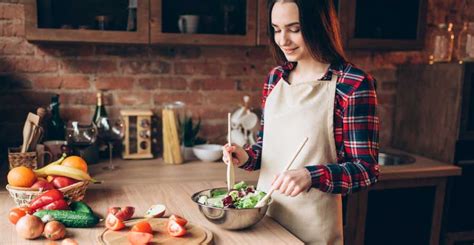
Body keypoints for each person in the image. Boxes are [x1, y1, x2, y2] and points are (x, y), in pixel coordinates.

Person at [222, 0, 380, 244]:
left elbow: (366, 170)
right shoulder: (275, 79)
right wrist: (243, 157)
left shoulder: (353, 84)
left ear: (319, 26)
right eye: (276, 29)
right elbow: (267, 148)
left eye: (294, 29)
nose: (283, 40)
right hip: (266, 221)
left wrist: (311, 176)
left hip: (314, 229)